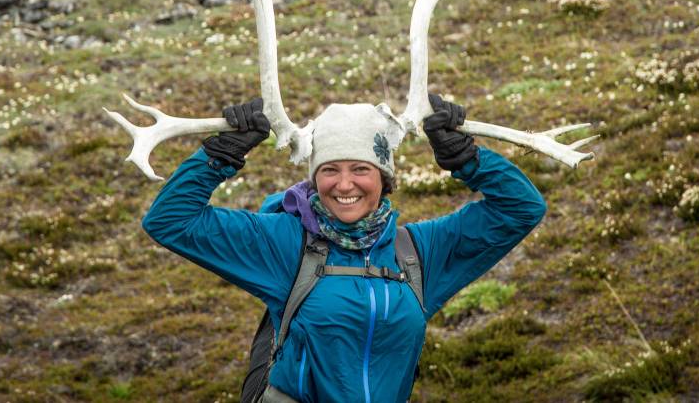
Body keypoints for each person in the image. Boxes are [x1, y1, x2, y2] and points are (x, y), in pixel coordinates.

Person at [142, 94, 547, 403]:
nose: (344, 184)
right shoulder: (284, 242)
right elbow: (170, 221)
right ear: (315, 178)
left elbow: (521, 209)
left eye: (361, 169)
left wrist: (467, 159)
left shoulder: (419, 254)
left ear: (384, 178)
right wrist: (220, 156)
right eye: (330, 169)